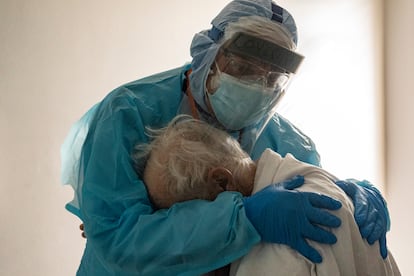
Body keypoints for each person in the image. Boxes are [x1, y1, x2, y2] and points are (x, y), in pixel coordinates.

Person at [61, 0, 390, 275]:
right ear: (206, 53)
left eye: (273, 78)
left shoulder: (288, 142)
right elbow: (117, 238)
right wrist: (243, 218)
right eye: (243, 68)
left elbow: (314, 203)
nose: (257, 86)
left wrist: (349, 194)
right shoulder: (129, 112)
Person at [133, 114, 400, 276]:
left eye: (189, 213)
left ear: (222, 182)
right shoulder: (318, 182)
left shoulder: (275, 251)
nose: (195, 233)